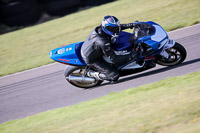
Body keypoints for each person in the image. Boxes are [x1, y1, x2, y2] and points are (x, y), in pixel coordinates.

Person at [81, 15, 146, 83]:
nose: (117, 29)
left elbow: (117, 27)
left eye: (115, 27)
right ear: (108, 28)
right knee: (114, 76)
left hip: (95, 48)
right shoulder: (103, 42)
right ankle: (93, 75)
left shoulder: (103, 28)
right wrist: (132, 56)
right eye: (114, 28)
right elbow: (114, 59)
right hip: (93, 59)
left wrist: (131, 25)